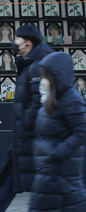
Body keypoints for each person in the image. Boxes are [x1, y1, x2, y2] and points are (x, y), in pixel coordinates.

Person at [0, 25, 54, 212]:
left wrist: (26, 122)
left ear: (27, 42)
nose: (14, 43)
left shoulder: (37, 66)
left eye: (17, 39)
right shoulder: (28, 64)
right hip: (25, 136)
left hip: (32, 135)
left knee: (33, 179)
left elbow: (38, 100)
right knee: (14, 176)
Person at [28, 52, 86, 212]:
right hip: (49, 173)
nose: (42, 81)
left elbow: (82, 131)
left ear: (57, 77)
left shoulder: (71, 100)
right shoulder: (50, 99)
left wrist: (57, 154)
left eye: (46, 77)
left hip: (61, 173)